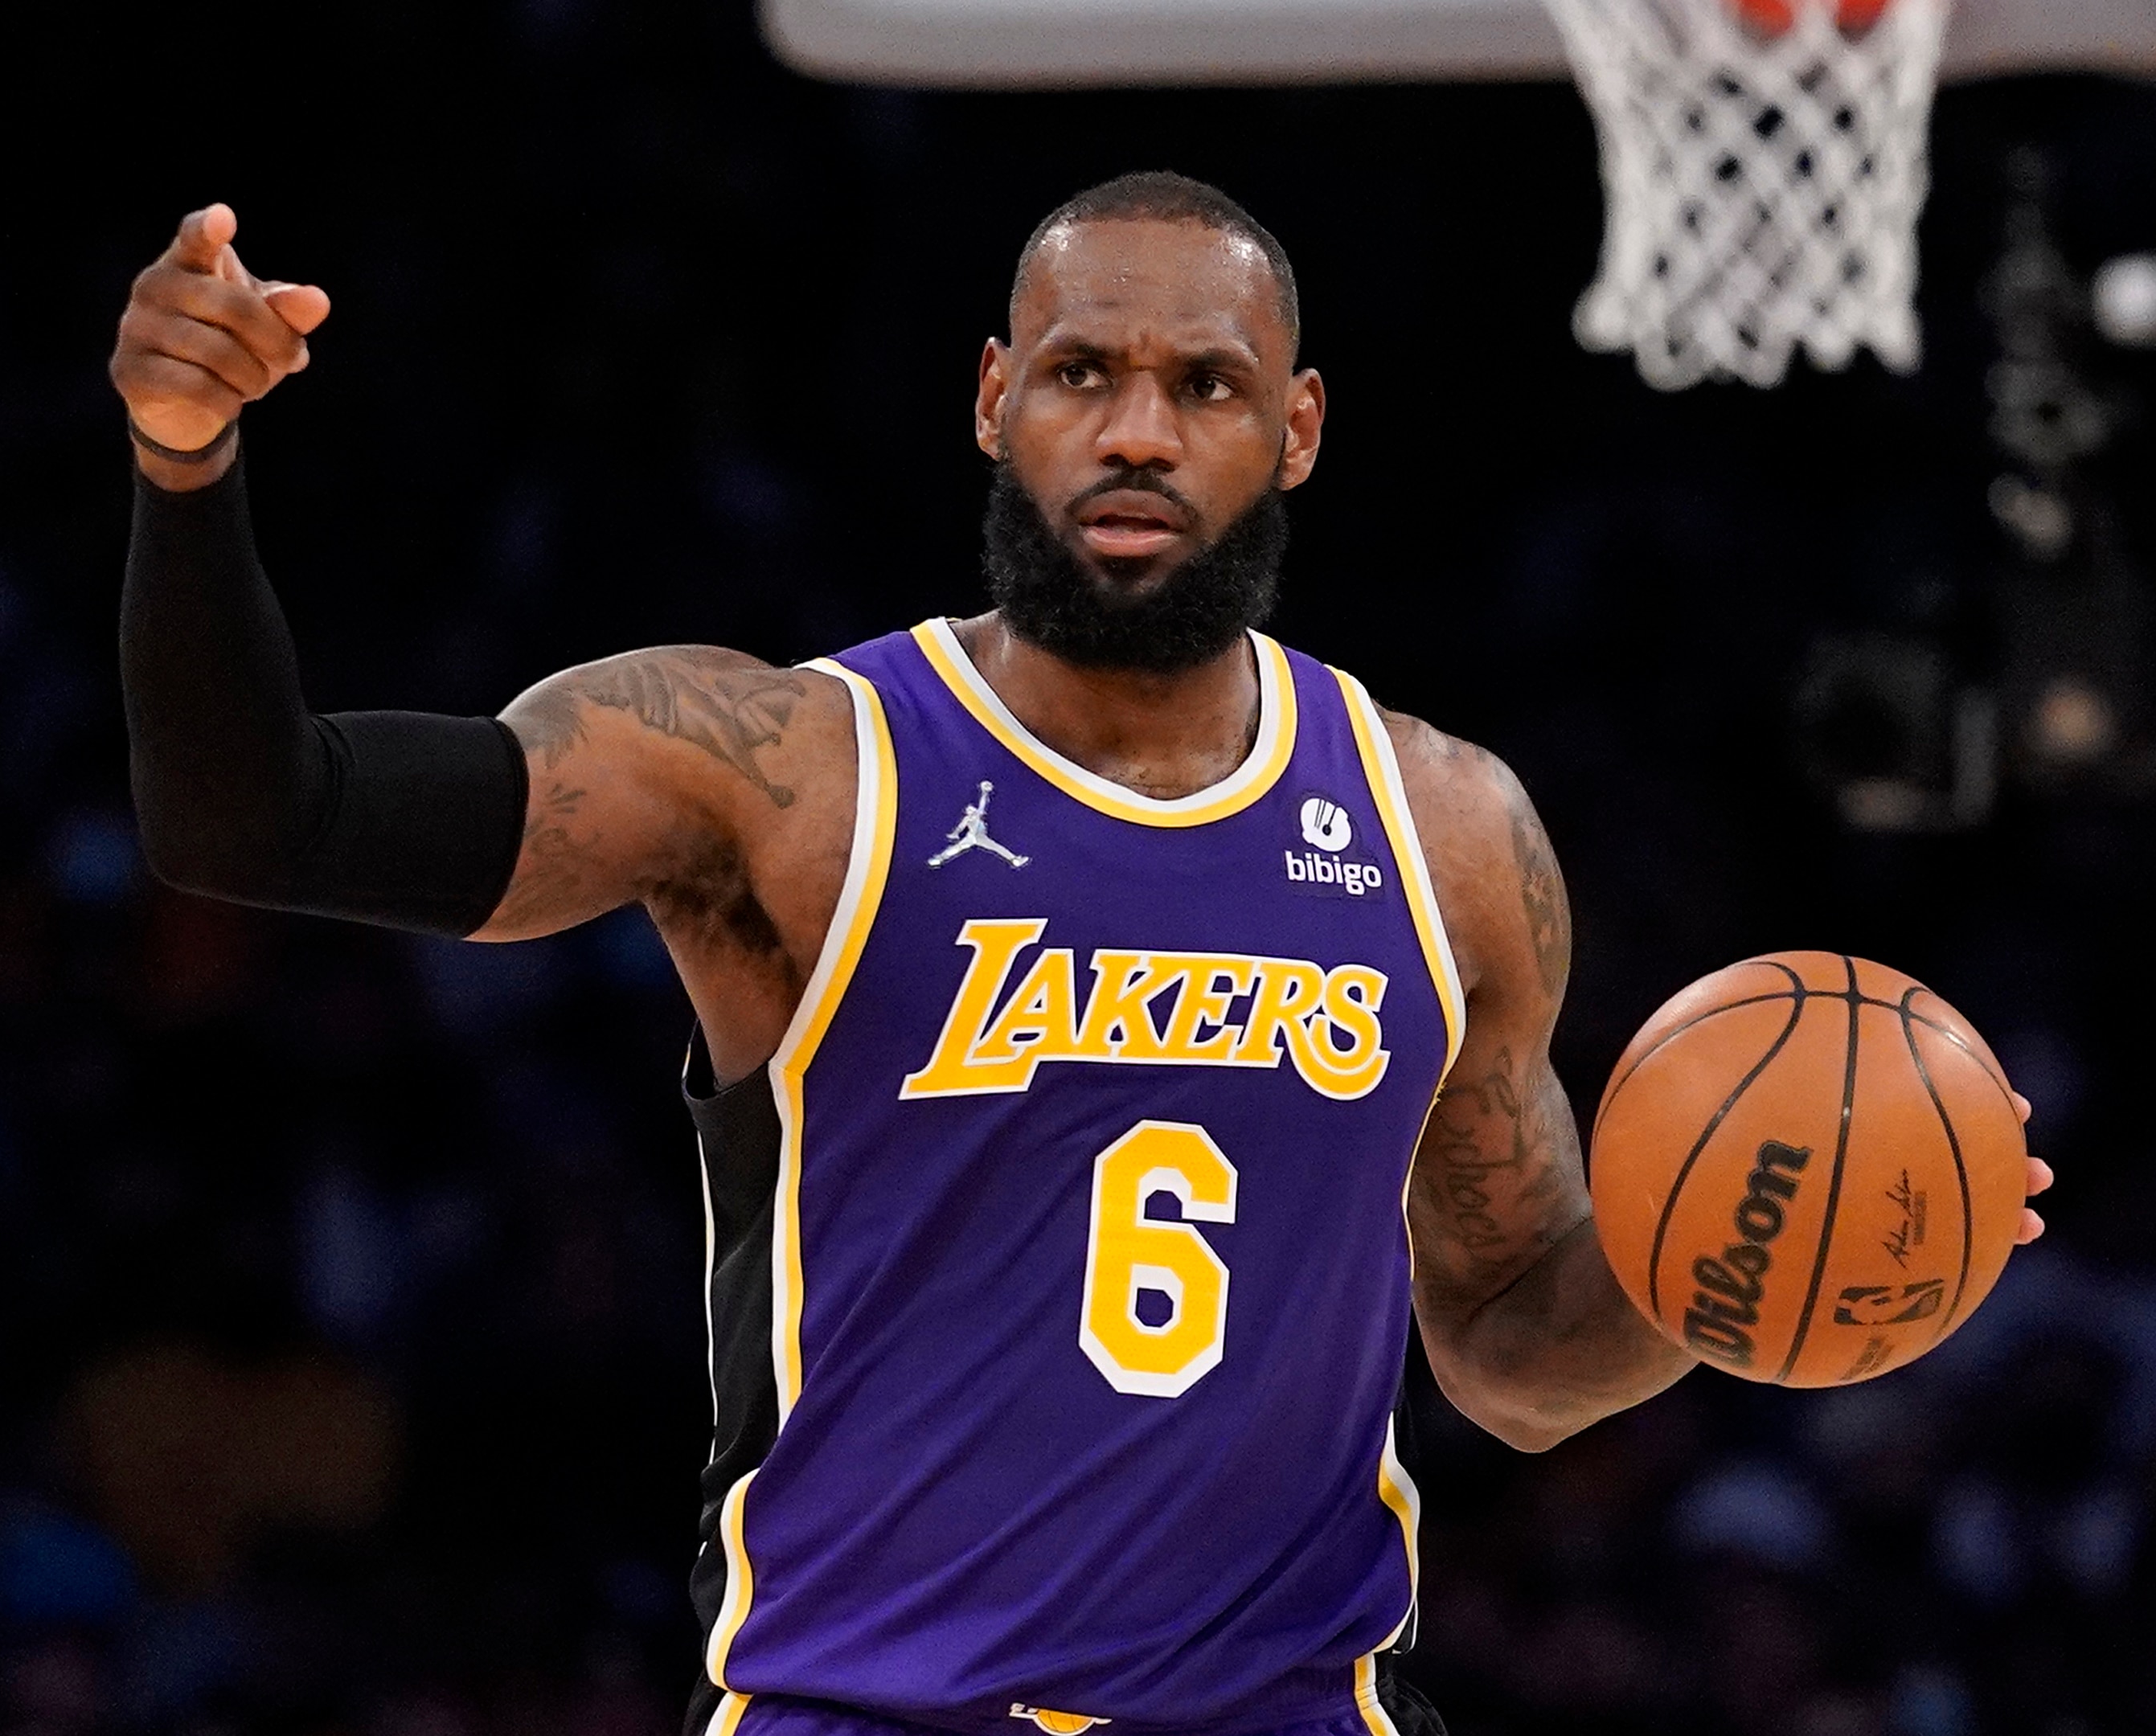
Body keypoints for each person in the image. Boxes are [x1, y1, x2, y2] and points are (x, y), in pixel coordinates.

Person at [108, 172, 2050, 1736]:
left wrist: (1733, 1260)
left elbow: (1516, 1361)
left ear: (1295, 430)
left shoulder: (1445, 833)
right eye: (1082, 371)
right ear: (992, 399)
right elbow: (254, 820)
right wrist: (188, 469)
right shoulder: (786, 772)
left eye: (1205, 386)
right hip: (869, 1709)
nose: (1137, 430)